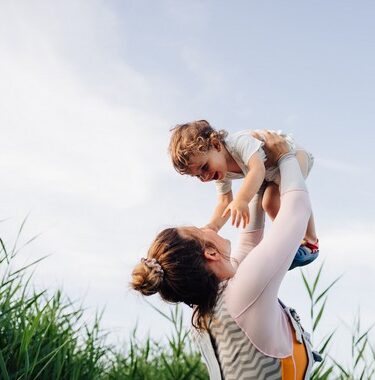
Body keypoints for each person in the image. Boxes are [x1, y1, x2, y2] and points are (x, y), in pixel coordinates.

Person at [131, 131, 320, 379]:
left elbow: (250, 240)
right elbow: (297, 212)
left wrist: (259, 175)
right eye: (200, 230)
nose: (208, 227)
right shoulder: (243, 294)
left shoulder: (211, 308)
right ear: (209, 253)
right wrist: (285, 156)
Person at [168, 120, 319, 269]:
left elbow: (257, 170)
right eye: (198, 175)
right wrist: (212, 227)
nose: (205, 177)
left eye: (204, 167)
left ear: (216, 144)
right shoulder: (220, 172)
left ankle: (311, 241)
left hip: (293, 154)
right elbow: (224, 201)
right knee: (268, 203)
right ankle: (293, 241)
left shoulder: (239, 142)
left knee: (270, 201)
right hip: (271, 172)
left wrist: (242, 200)